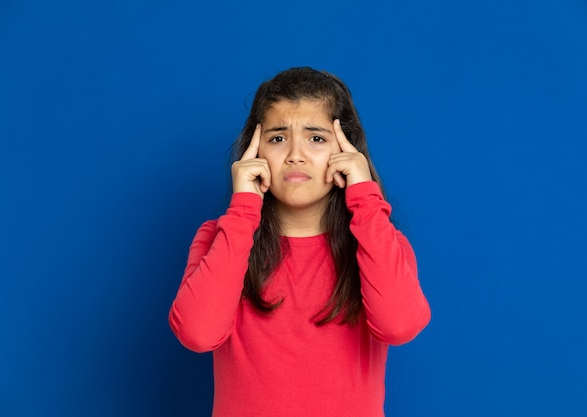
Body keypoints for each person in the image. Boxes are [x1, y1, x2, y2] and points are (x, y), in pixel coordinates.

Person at [168, 67, 431, 417]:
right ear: (254, 151)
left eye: (316, 138)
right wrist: (244, 210)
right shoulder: (220, 237)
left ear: (346, 151)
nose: (296, 154)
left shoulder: (379, 242)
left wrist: (366, 200)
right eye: (278, 138)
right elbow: (197, 334)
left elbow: (399, 326)